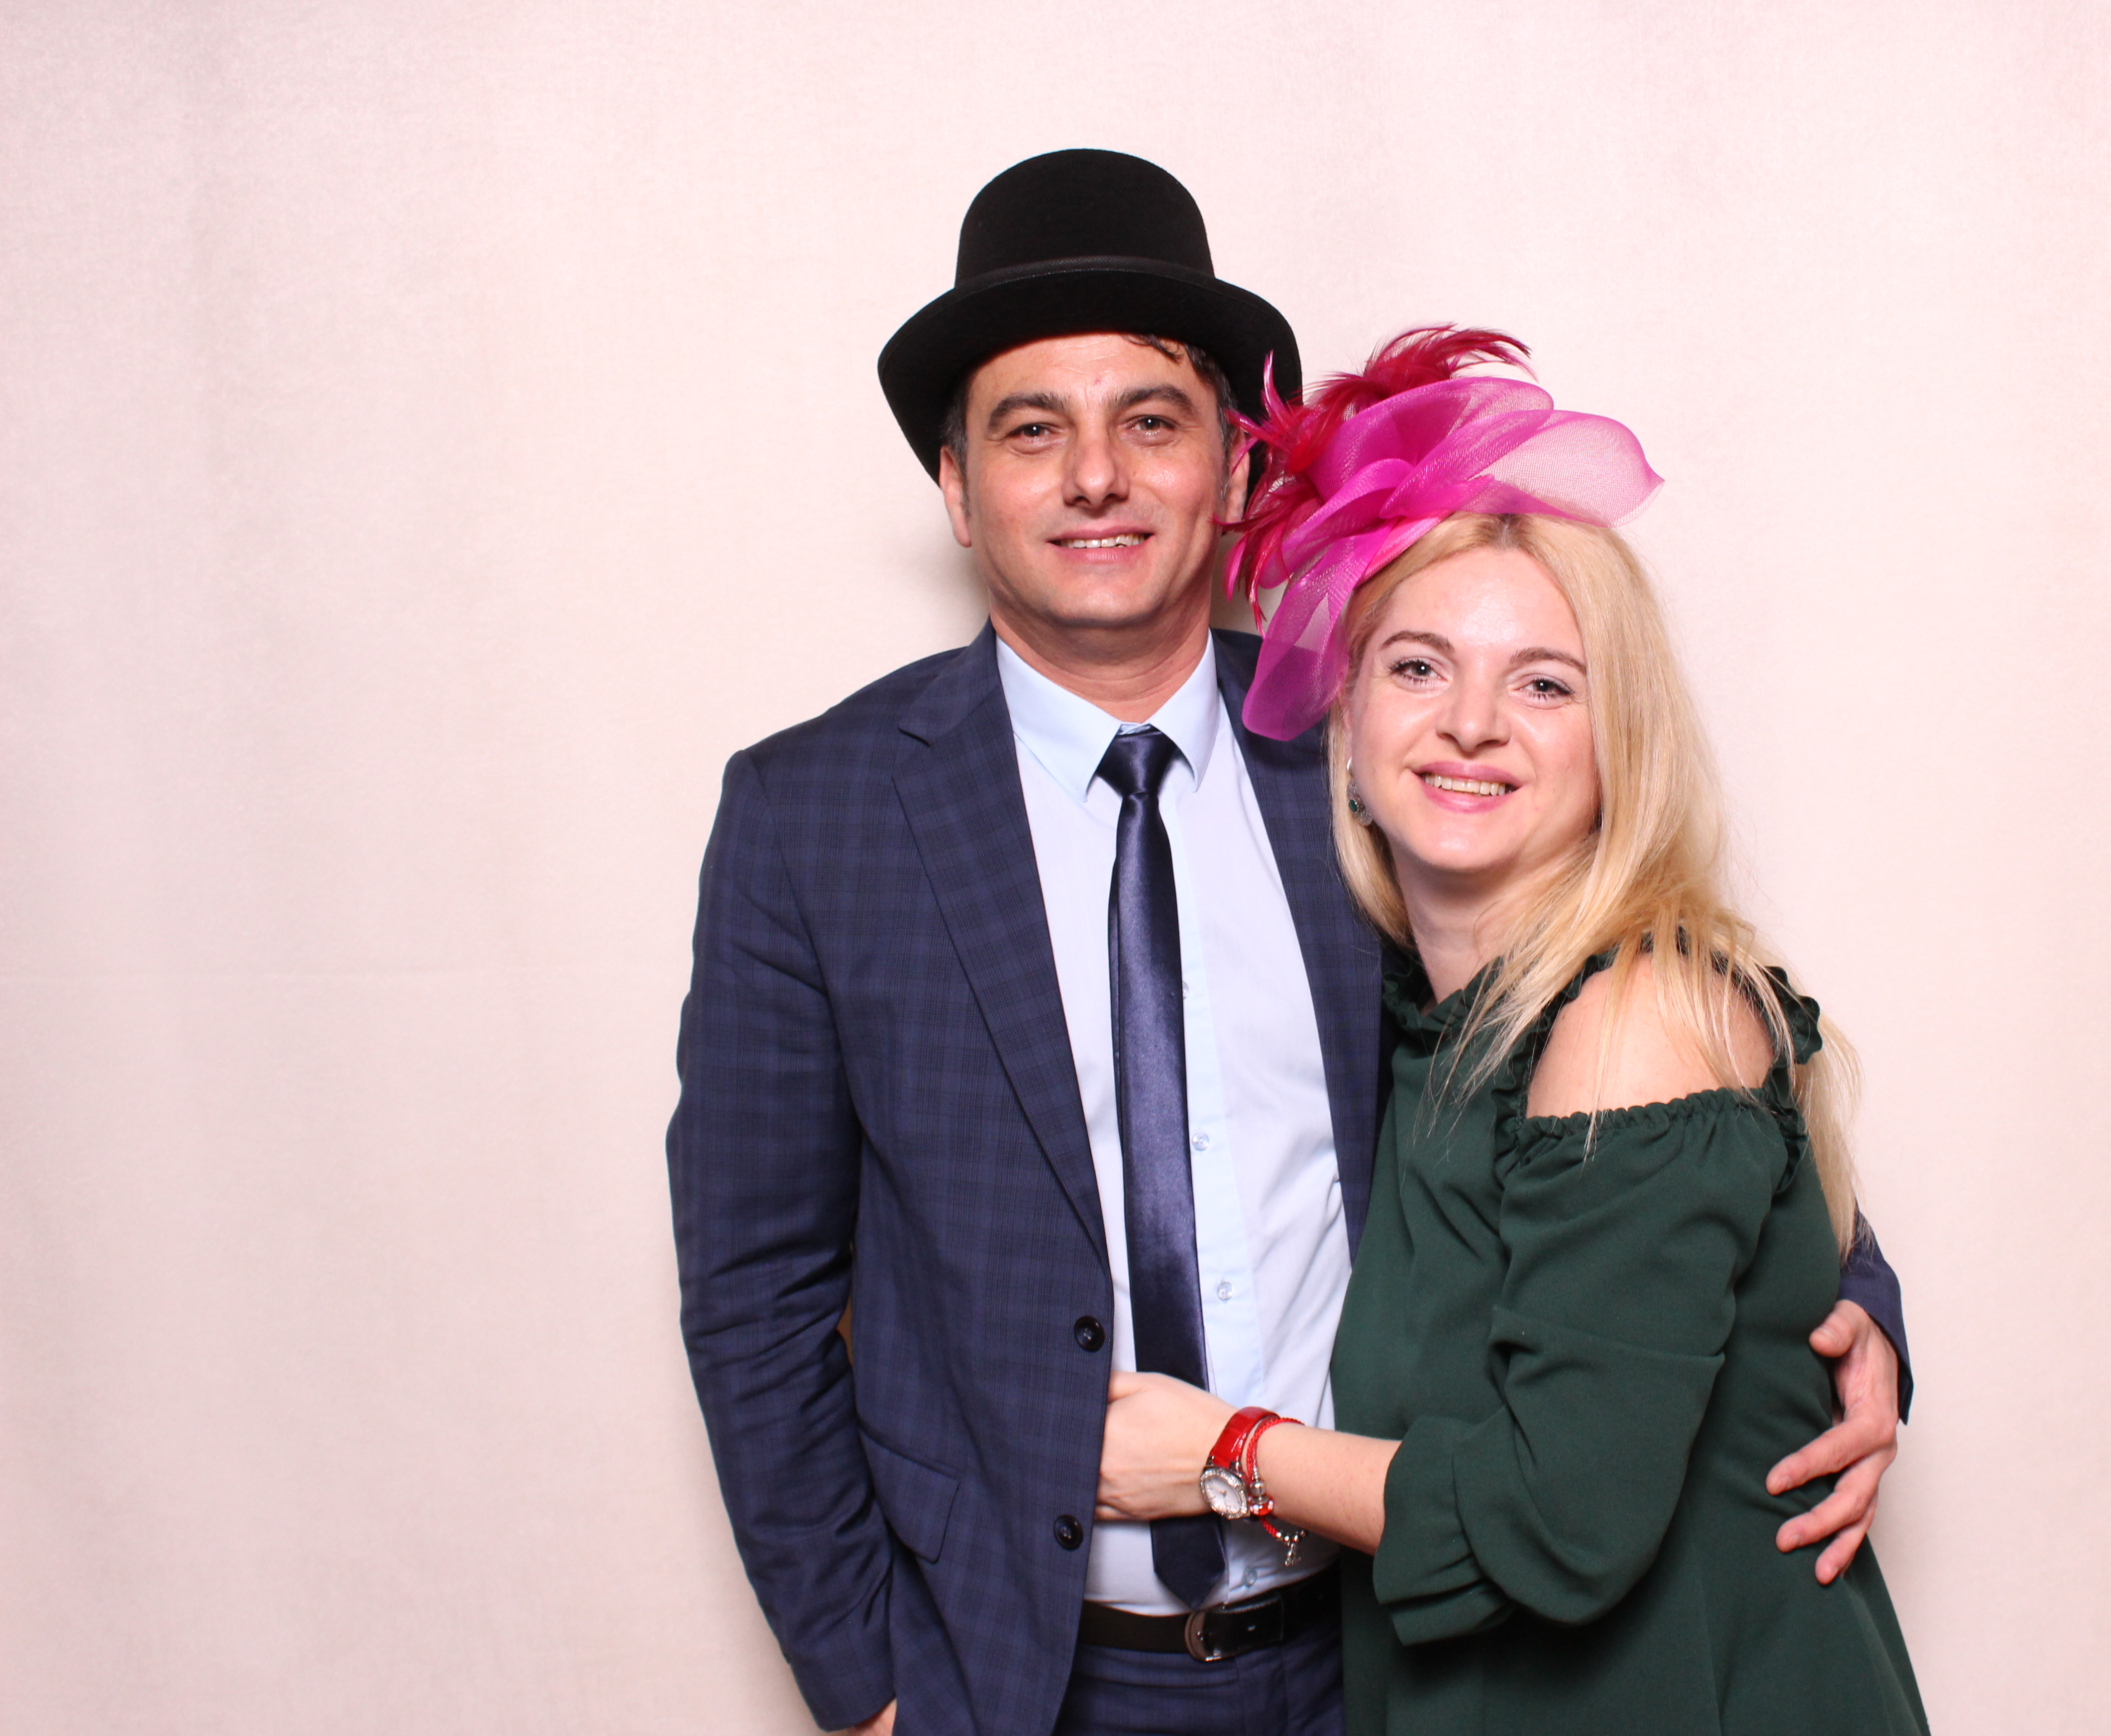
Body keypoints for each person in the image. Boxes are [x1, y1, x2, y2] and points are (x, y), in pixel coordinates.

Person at [669, 153, 1913, 1736]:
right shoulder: (816, 818)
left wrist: (1854, 1306)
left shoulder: (1372, 753)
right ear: (958, 490)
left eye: (1152, 421)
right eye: (1033, 430)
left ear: (1234, 472)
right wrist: (866, 1690)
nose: (1096, 476)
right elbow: (756, 1289)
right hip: (1023, 1677)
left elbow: (1625, 1026)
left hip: (1386, 1647)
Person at [1094, 330, 1929, 1733]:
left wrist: (1227, 1455)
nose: (1473, 724)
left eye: (1545, 682)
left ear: (1620, 742)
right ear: (1346, 719)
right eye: (1419, 667)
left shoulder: (1633, 1021)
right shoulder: (1429, 1013)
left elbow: (1559, 1521)